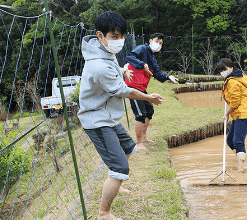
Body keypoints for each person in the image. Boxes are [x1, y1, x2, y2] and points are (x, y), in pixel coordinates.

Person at [77, 11, 164, 220]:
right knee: (119, 166)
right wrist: (148, 97)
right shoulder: (98, 65)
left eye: (121, 36)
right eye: (114, 36)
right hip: (97, 121)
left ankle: (116, 183)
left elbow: (114, 70)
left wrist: (123, 70)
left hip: (108, 116)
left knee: (128, 148)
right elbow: (125, 91)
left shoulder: (104, 52)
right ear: (100, 36)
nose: (120, 41)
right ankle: (103, 212)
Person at [125, 33, 179, 151]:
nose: (158, 45)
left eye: (160, 43)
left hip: (142, 87)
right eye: (156, 41)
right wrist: (142, 64)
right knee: (140, 114)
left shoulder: (153, 58)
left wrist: (169, 77)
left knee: (149, 110)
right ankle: (138, 143)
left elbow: (158, 74)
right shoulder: (142, 49)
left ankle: (144, 137)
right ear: (150, 41)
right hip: (133, 86)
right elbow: (129, 57)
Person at [217, 58, 247, 173]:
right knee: (230, 141)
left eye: (225, 69)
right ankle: (240, 159)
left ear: (231, 68)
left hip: (243, 115)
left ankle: (240, 170)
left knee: (238, 142)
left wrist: (227, 113)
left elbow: (236, 102)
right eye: (221, 71)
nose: (223, 72)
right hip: (239, 115)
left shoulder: (232, 81)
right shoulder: (237, 77)